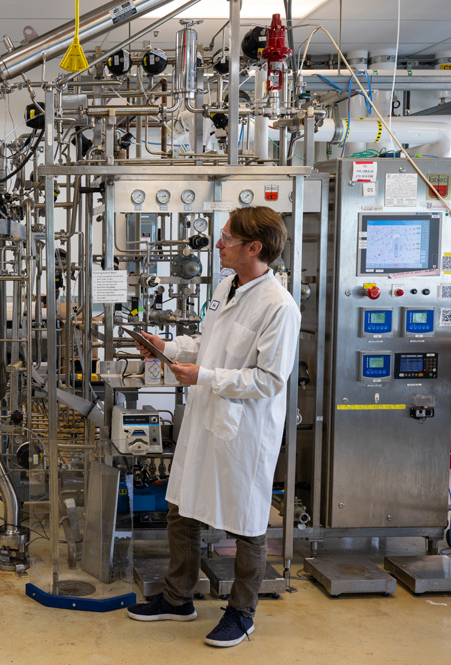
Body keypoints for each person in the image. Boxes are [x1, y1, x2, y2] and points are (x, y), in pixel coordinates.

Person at [126, 206, 301, 648]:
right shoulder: (227, 286)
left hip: (243, 432)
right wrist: (169, 345)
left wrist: (203, 376)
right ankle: (176, 598)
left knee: (247, 523)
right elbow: (210, 342)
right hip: (206, 420)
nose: (217, 244)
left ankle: (242, 613)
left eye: (226, 238)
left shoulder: (279, 307)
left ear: (254, 248)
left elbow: (269, 380)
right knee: (181, 508)